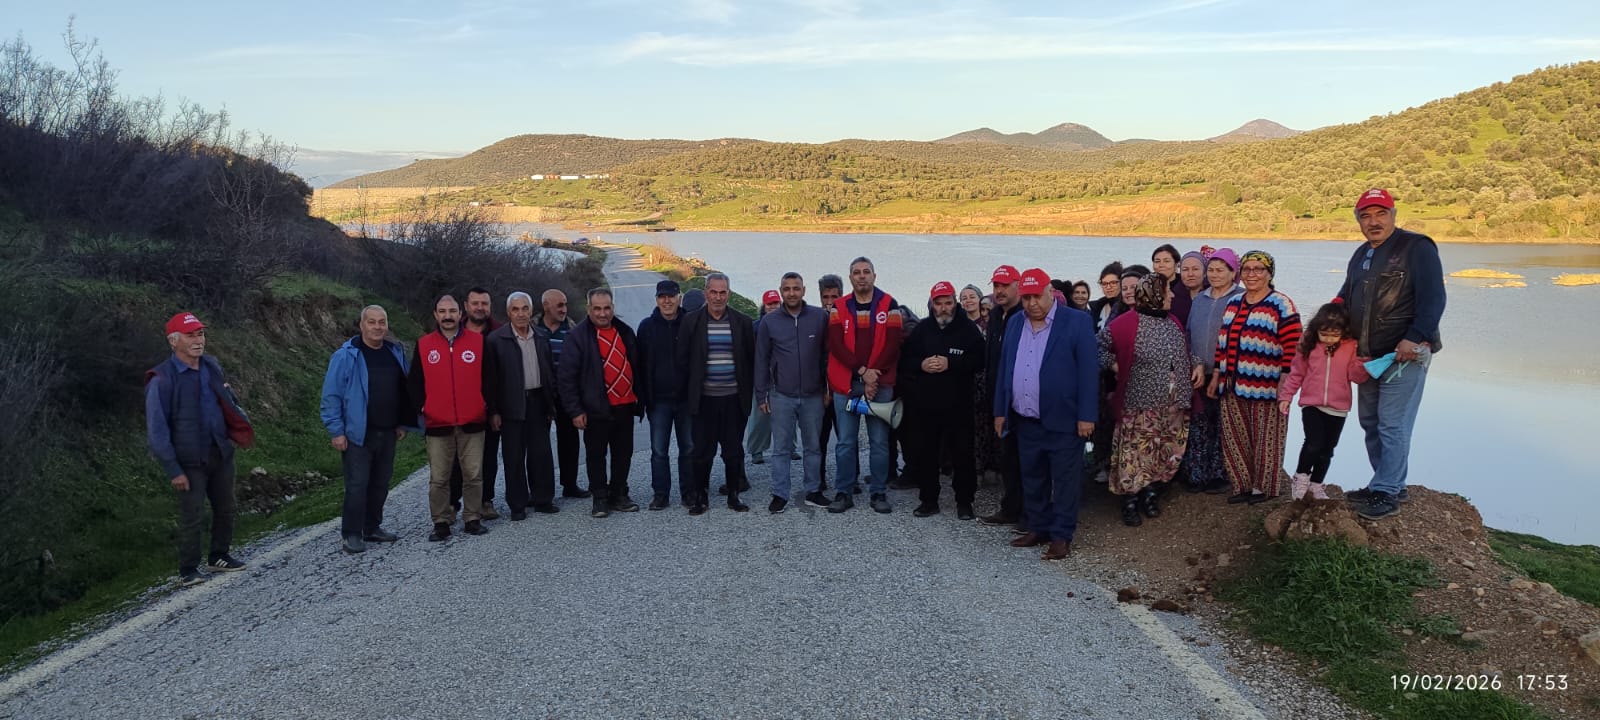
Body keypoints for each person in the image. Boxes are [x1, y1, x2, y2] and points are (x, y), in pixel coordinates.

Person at [1337, 188, 1446, 521]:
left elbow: (1434, 299)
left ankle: (1386, 491)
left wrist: (1414, 338)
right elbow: (1345, 296)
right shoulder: (1360, 255)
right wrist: (1325, 327)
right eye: (1366, 216)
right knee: (1370, 422)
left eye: (1380, 214)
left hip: (1405, 355)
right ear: (1358, 221)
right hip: (1369, 355)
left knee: (1393, 424)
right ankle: (1386, 484)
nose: (1373, 222)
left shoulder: (1417, 247)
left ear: (1394, 214)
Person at [994, 269, 1098, 561]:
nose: (1031, 303)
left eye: (1036, 296)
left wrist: (1087, 416)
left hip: (1065, 419)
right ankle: (1038, 526)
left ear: (1050, 292)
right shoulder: (1015, 323)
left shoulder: (1076, 322)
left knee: (1065, 480)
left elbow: (1089, 372)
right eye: (1026, 297)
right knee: (1033, 475)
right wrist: (1000, 410)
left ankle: (1062, 535)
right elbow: (1006, 369)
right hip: (1026, 418)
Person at [145, 312, 247, 586]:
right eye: (191, 335)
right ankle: (188, 569)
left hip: (220, 451)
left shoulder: (211, 366)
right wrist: (173, 469)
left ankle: (219, 556)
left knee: (226, 506)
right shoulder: (162, 380)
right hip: (189, 460)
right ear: (173, 341)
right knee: (193, 515)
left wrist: (237, 427)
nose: (198, 340)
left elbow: (228, 399)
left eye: (200, 334)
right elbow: (157, 430)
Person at [1098, 274, 1192, 526]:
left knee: (1164, 451)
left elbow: (1183, 352)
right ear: (1154, 294)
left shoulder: (1173, 322)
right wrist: (1115, 365)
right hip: (1139, 402)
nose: (1172, 295)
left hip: (1173, 404)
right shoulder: (1127, 323)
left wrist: (1199, 365)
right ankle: (1130, 501)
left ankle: (1150, 495)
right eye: (1167, 291)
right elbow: (1096, 347)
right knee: (1134, 453)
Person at [1209, 251, 1302, 504]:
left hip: (1267, 385)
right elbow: (1222, 342)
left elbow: (1293, 346)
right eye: (1247, 269)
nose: (1252, 274)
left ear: (1269, 273)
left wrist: (1286, 378)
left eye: (1258, 269)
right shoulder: (1234, 303)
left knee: (1267, 439)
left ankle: (1265, 487)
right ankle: (1242, 485)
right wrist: (1217, 373)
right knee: (1235, 437)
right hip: (1231, 384)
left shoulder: (1281, 304)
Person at [319, 305, 410, 554]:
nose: (378, 327)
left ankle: (371, 527)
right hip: (358, 434)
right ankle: (351, 533)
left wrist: (402, 422)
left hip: (388, 431)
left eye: (382, 322)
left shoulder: (394, 352)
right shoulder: (347, 356)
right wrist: (336, 431)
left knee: (381, 484)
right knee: (357, 485)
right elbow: (331, 395)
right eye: (372, 322)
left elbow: (403, 389)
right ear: (361, 325)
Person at [407, 294, 492, 541]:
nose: (447, 316)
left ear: (460, 313)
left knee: (473, 474)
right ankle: (441, 522)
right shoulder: (424, 345)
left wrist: (486, 406)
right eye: (442, 311)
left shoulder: (478, 342)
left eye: (452, 311)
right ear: (435, 314)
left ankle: (472, 518)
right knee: (439, 478)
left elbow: (490, 379)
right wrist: (422, 408)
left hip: (472, 421)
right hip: (437, 423)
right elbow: (415, 384)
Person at [898, 281, 985, 519]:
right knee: (926, 453)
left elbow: (980, 360)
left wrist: (952, 363)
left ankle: (965, 502)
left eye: (948, 303)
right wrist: (922, 365)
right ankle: (928, 500)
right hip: (926, 405)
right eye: (939, 303)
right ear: (932, 304)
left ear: (955, 303)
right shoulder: (922, 330)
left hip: (959, 404)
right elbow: (905, 362)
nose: (944, 308)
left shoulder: (968, 329)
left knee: (962, 455)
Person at [824, 257, 905, 514]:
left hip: (880, 384)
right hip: (846, 384)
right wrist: (862, 373)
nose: (861, 276)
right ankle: (844, 491)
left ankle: (878, 492)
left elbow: (893, 344)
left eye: (866, 272)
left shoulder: (889, 304)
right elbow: (836, 345)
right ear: (850, 278)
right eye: (856, 273)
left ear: (874, 276)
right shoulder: (838, 307)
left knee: (879, 442)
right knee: (846, 442)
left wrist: (873, 375)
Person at [557, 288, 645, 518]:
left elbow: (636, 365)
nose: (603, 313)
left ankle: (618, 494)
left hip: (625, 404)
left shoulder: (624, 331)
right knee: (596, 455)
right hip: (595, 408)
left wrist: (640, 397)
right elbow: (566, 377)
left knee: (623, 453)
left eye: (607, 308)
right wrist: (575, 410)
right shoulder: (578, 337)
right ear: (589, 309)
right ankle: (600, 498)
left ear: (613, 308)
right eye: (597, 308)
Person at [678, 272, 757, 514]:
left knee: (733, 451)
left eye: (723, 292)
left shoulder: (742, 322)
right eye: (713, 292)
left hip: (733, 399)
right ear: (706, 293)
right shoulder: (691, 322)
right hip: (704, 400)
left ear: (729, 294)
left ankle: (734, 495)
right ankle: (701, 497)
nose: (718, 297)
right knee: (702, 452)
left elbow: (750, 360)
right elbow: (683, 361)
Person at [1279, 302, 1370, 501]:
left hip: (1338, 406)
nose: (1328, 339)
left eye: (1334, 334)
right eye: (1324, 334)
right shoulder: (1308, 345)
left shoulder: (1351, 347)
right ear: (1316, 330)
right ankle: (1301, 477)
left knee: (1327, 449)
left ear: (1344, 331)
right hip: (1312, 403)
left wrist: (1363, 364)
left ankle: (1316, 485)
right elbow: (1296, 373)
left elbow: (1356, 377)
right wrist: (1286, 397)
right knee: (1313, 443)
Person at [755, 272, 830, 513]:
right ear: (781, 291)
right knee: (781, 449)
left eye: (796, 288)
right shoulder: (770, 321)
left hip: (813, 395)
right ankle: (780, 493)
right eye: (786, 289)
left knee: (813, 446)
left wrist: (828, 389)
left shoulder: (819, 317)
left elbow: (828, 356)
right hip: (781, 394)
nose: (791, 293)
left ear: (804, 290)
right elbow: (761, 359)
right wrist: (761, 394)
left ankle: (813, 491)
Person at [484, 291, 559, 520]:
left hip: (538, 401)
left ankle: (543, 499)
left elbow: (549, 372)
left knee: (541, 454)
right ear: (508, 313)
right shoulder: (496, 340)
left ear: (531, 310)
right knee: (513, 457)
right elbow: (491, 380)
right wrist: (494, 411)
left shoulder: (541, 336)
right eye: (515, 309)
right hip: (510, 405)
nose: (520, 313)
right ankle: (517, 504)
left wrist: (550, 406)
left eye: (524, 308)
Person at [1182, 248, 1243, 494]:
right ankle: (1196, 473)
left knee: (1222, 423)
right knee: (1198, 421)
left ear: (1232, 272)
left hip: (1228, 372)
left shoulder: (1239, 298)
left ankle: (1219, 474)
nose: (1215, 275)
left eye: (1221, 270)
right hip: (1198, 370)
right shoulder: (1200, 299)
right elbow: (1189, 333)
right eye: (1212, 270)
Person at [637, 279, 693, 510]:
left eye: (671, 296)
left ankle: (689, 493)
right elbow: (640, 365)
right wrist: (643, 399)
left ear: (679, 297)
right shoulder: (647, 327)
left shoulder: (690, 323)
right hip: (658, 400)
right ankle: (660, 494)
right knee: (659, 450)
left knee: (688, 448)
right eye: (662, 297)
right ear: (657, 299)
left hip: (686, 399)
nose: (667, 301)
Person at [979, 265, 1026, 528]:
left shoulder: (1026, 315)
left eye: (1005, 285)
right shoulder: (996, 315)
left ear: (1018, 285)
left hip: (1020, 398)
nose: (999, 291)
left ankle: (1028, 512)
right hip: (997, 397)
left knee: (1024, 458)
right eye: (996, 285)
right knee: (1006, 456)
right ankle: (1010, 508)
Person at [451, 287, 502, 520]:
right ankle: (453, 502)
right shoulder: (451, 332)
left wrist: (495, 409)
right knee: (455, 458)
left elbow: (501, 375)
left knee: (488, 456)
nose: (480, 307)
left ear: (489, 306)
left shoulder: (499, 333)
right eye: (475, 303)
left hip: (489, 407)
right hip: (457, 408)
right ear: (466, 305)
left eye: (484, 303)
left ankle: (485, 500)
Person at [535, 289, 590, 500]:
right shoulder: (532, 328)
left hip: (567, 393)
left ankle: (570, 484)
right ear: (546, 306)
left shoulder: (572, 329)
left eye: (565, 304)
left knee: (569, 441)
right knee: (539, 444)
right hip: (541, 395)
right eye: (559, 305)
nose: (564, 309)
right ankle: (540, 490)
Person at [745, 289, 783, 466]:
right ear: (764, 306)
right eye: (770, 304)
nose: (773, 307)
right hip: (762, 378)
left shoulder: (789, 323)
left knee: (786, 416)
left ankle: (790, 448)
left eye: (776, 303)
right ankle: (756, 450)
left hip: (784, 378)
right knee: (760, 416)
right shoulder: (755, 327)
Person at [815, 274, 845, 493]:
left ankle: (849, 479)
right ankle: (818, 478)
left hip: (843, 388)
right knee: (819, 438)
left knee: (846, 437)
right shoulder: (814, 319)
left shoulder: (848, 319)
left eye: (834, 296)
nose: (829, 301)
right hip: (819, 390)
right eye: (825, 296)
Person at [1087, 262, 1124, 331]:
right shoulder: (1096, 307)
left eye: (1113, 283)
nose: (1108, 287)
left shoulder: (1126, 307)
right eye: (1104, 283)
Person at [1174, 251, 1206, 328]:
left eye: (1195, 269)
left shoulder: (1213, 296)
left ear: (1205, 273)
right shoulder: (1172, 297)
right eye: (1185, 269)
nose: (1190, 274)